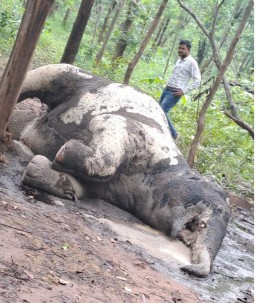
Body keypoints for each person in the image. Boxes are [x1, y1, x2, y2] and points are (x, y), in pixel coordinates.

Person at [159, 40, 201, 140]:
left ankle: (174, 134)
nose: (180, 50)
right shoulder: (179, 60)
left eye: (183, 49)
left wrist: (184, 91)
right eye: (179, 48)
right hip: (167, 88)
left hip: (175, 92)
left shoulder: (192, 63)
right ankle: (161, 130)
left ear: (188, 50)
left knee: (162, 111)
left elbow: (197, 80)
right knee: (158, 109)